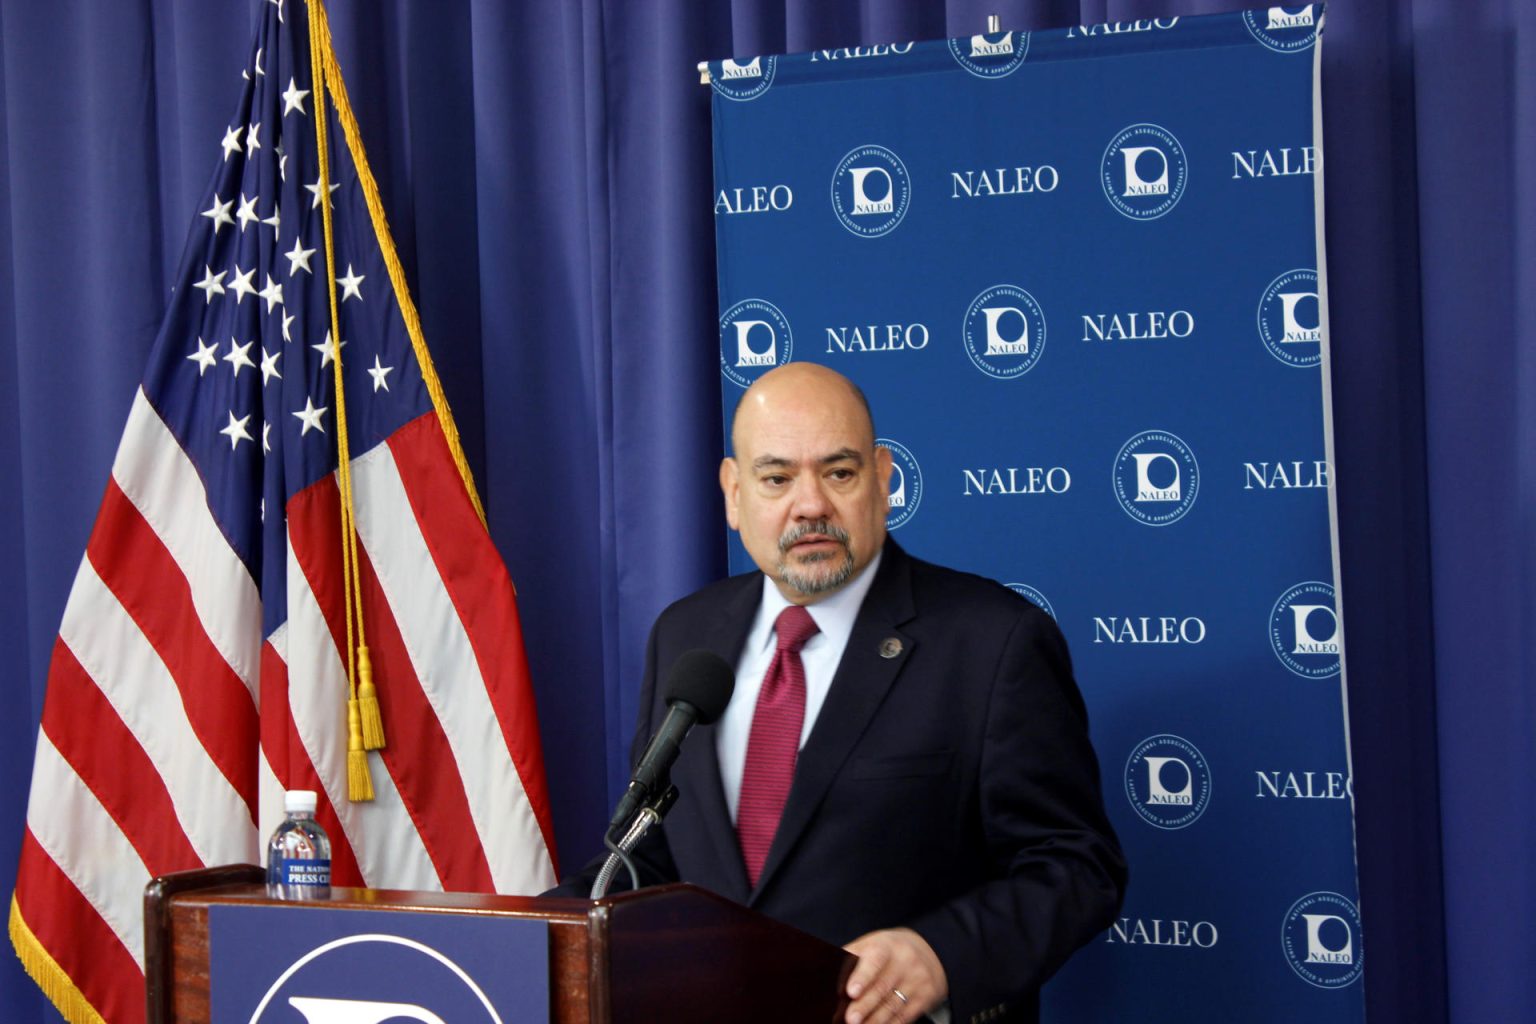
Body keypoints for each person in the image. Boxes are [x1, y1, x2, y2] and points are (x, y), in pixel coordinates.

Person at [560, 362, 1125, 1024]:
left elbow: (1075, 867)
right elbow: (649, 856)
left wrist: (940, 955)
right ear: (734, 494)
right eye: (777, 478)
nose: (811, 505)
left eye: (839, 473)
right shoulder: (686, 635)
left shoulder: (993, 643)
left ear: (883, 480)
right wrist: (536, 930)